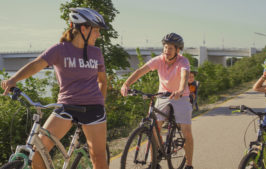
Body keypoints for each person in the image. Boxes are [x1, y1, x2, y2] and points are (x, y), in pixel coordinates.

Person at [1, 7, 109, 169]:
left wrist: (100, 101)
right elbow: (36, 65)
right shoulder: (59, 50)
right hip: (66, 106)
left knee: (98, 157)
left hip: (93, 109)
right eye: (96, 30)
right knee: (38, 153)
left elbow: (102, 81)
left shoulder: (96, 52)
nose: (98, 35)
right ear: (83, 29)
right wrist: (13, 79)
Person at [121, 33, 194, 169]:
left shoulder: (183, 61)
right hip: (163, 95)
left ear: (178, 50)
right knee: (154, 127)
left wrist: (179, 90)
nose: (167, 51)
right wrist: (126, 84)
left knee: (186, 131)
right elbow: (140, 71)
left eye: (170, 48)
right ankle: (155, 160)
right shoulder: (158, 60)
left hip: (180, 96)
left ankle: (189, 165)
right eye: (165, 47)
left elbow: (184, 76)